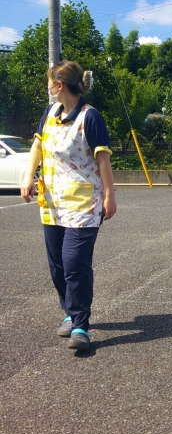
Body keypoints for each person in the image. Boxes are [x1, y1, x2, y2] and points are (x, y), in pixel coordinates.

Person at [21, 60, 116, 351]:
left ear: (59, 85)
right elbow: (38, 145)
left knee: (75, 264)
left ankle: (80, 325)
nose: (48, 88)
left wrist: (110, 196)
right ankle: (70, 311)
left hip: (83, 205)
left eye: (50, 83)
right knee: (58, 266)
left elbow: (103, 159)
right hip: (52, 203)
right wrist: (28, 176)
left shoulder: (90, 117)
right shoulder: (50, 113)